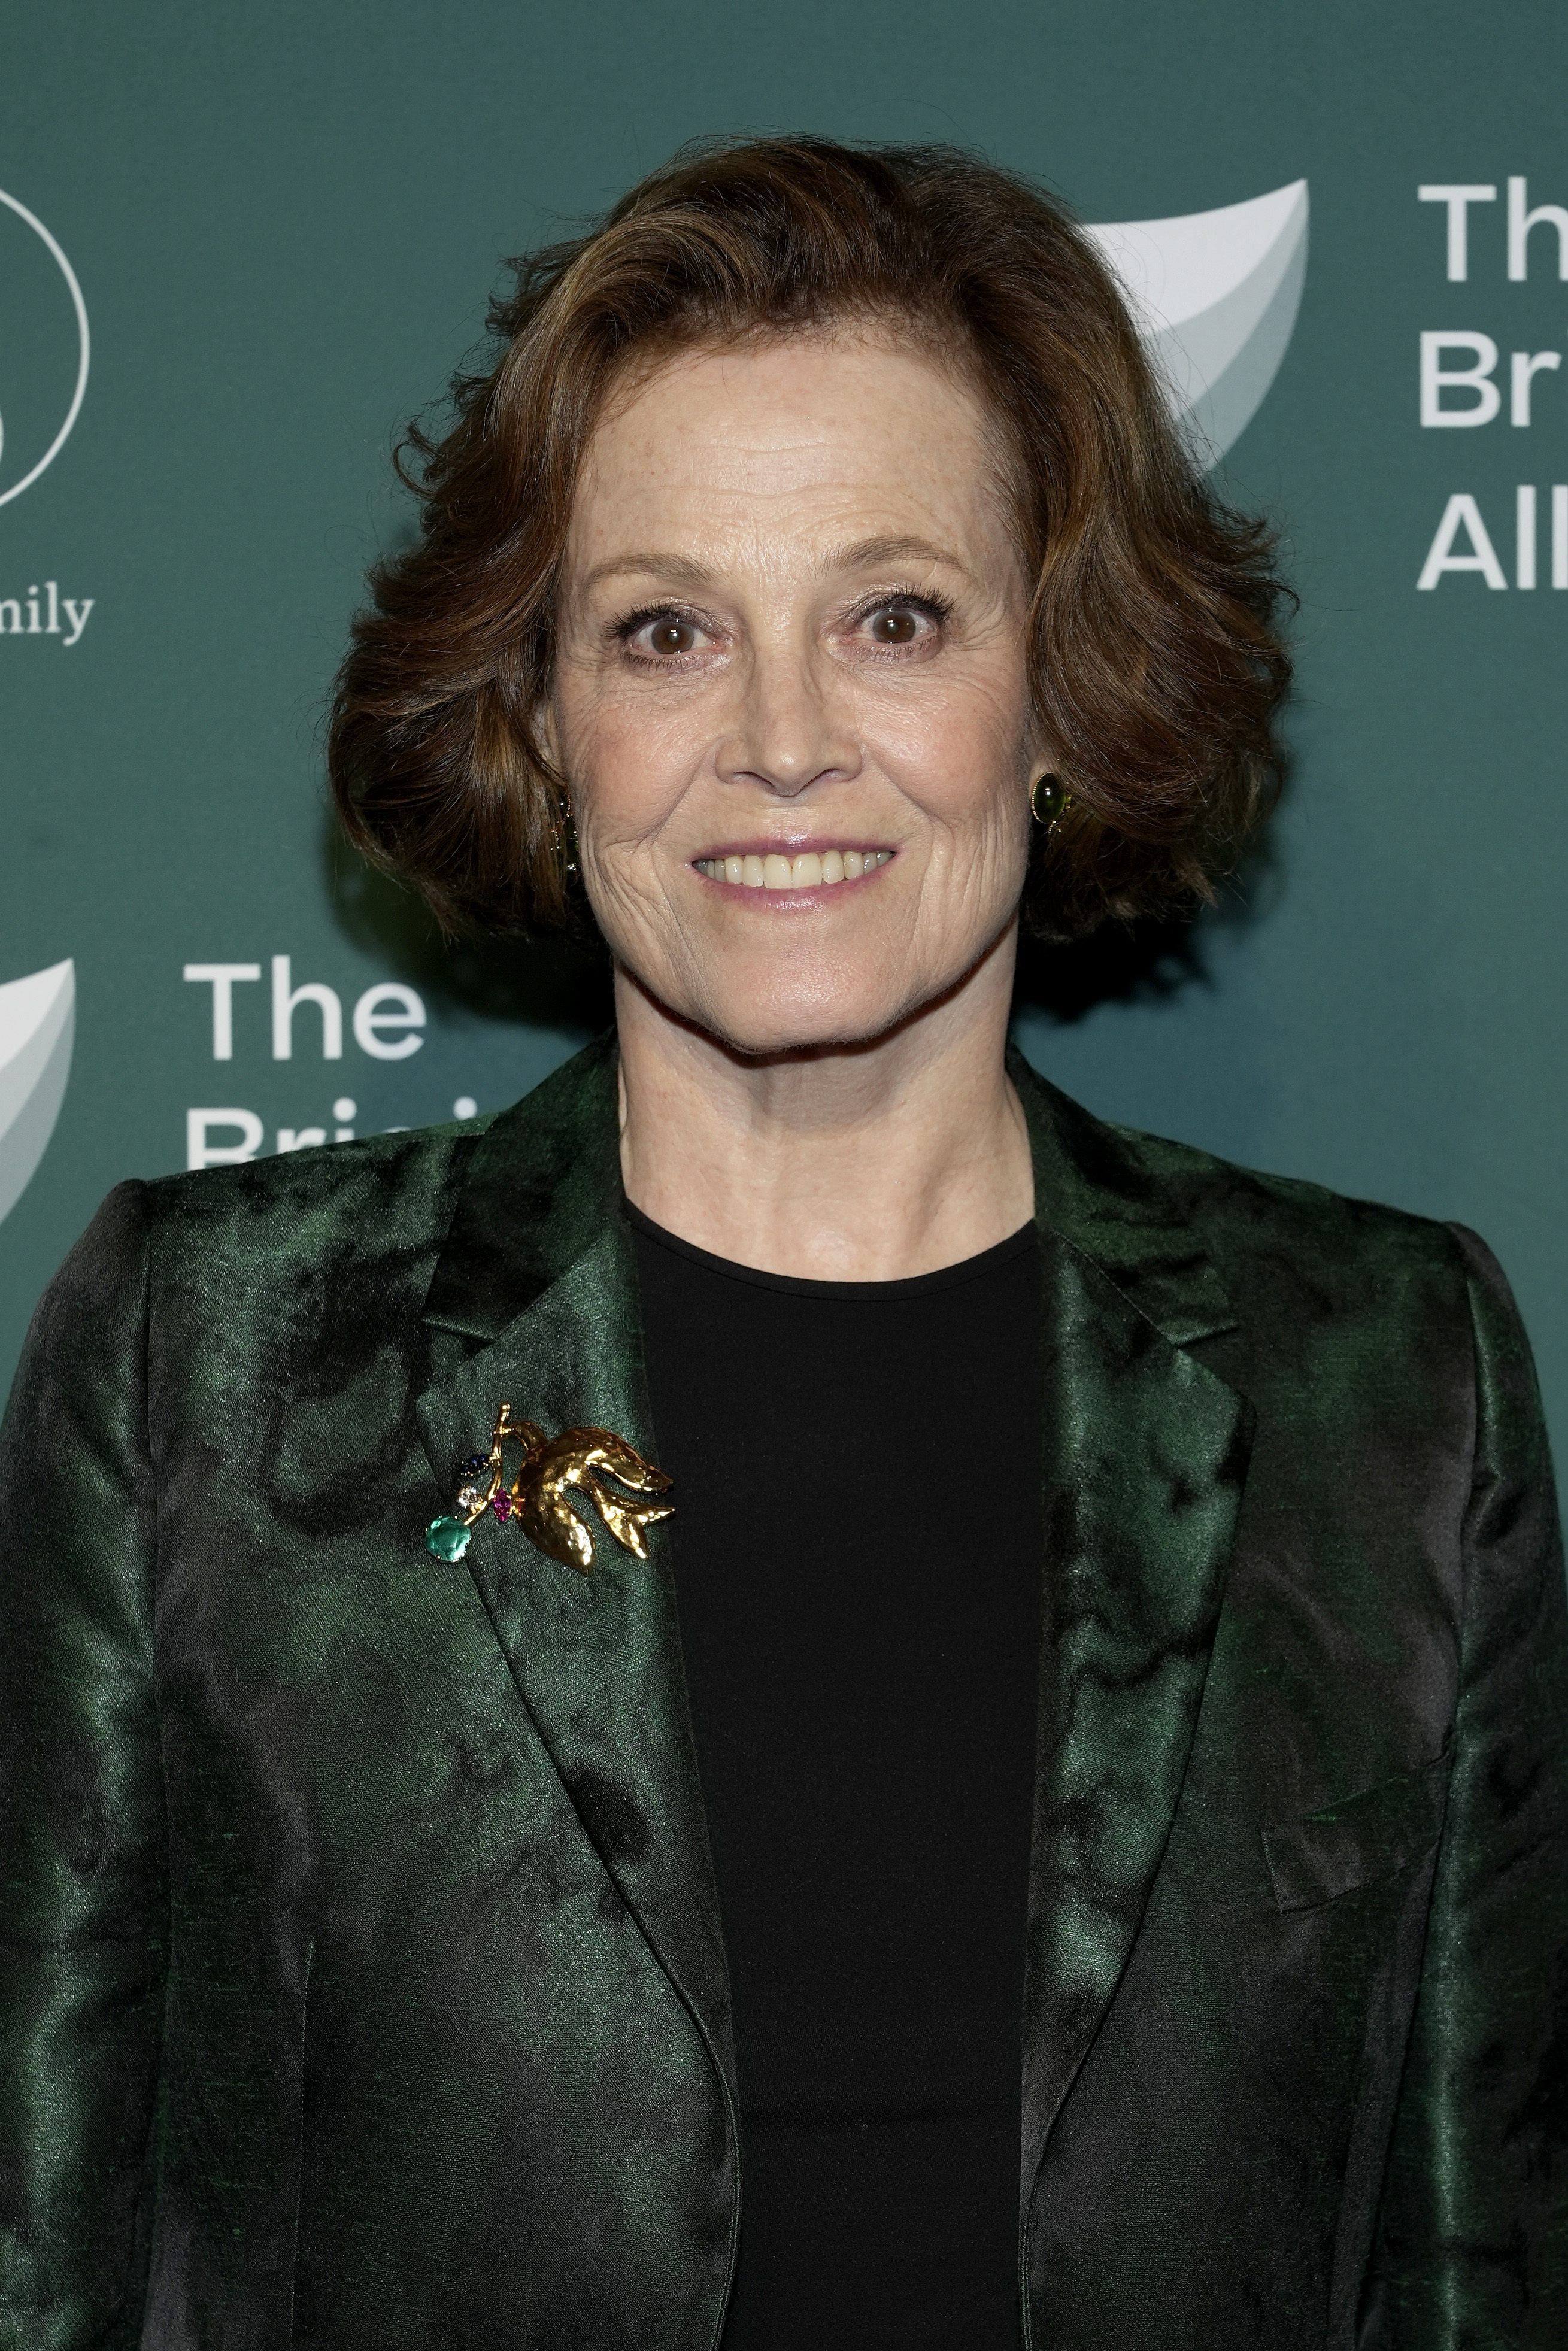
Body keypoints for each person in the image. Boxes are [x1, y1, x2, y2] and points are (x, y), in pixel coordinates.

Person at [1, 136, 1563, 2351]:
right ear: (546, 724)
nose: (782, 743)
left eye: (895, 618)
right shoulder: (216, 1355)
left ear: (1062, 686)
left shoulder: (1391, 1380)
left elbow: (1474, 2261)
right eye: (664, 632)